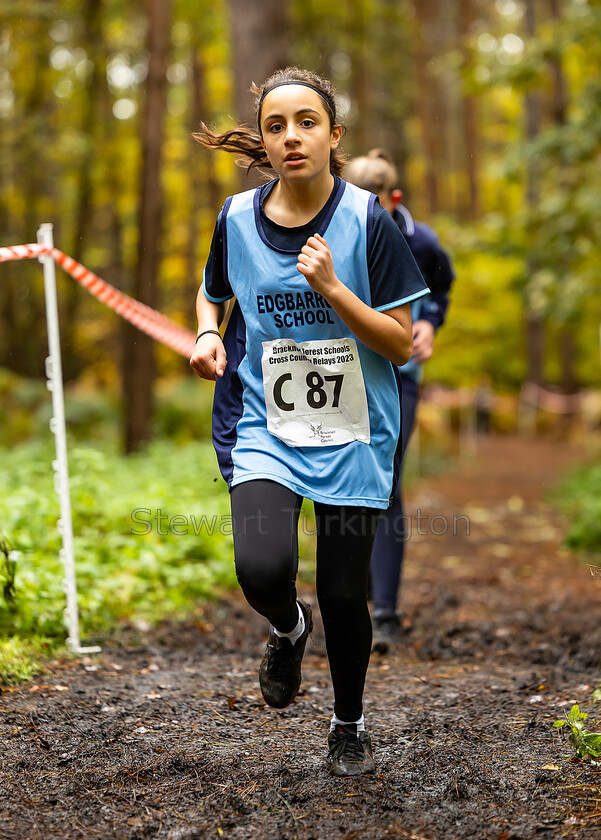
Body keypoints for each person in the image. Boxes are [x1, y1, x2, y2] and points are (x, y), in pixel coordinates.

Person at [189, 68, 428, 777]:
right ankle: (288, 631)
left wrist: (330, 287)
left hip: (355, 430)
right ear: (263, 140)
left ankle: (347, 724)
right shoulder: (235, 218)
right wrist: (207, 337)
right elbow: (210, 298)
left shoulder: (366, 220)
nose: (290, 137)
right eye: (275, 126)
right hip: (265, 422)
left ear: (333, 136)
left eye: (306, 122)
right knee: (261, 569)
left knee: (344, 593)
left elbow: (398, 340)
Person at [344, 150, 455, 653]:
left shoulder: (421, 240)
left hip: (400, 373)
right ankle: (353, 591)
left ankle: (384, 610)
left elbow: (440, 287)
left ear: (395, 199)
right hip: (339, 373)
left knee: (387, 480)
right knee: (347, 480)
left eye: (377, 206)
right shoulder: (333, 227)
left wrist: (430, 321)